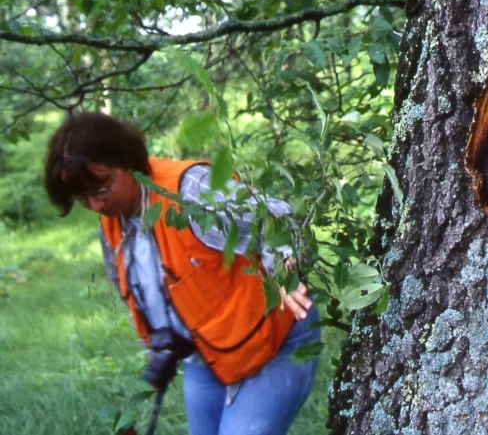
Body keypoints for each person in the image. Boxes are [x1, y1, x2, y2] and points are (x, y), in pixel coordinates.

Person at [43, 112, 319, 435]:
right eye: (81, 198)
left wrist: (283, 272)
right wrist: (161, 345)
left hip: (276, 340)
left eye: (102, 189)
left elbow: (279, 219)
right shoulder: (113, 223)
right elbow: (145, 290)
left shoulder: (189, 192)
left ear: (128, 161)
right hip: (209, 357)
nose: (95, 205)